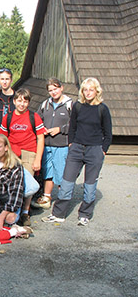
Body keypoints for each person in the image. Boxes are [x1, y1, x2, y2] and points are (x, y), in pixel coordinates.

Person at [42, 77, 112, 226]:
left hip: (94, 150)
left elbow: (108, 133)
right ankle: (58, 214)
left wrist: (102, 151)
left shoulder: (102, 109)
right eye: (85, 90)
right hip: (77, 148)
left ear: (96, 91)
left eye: (91, 89)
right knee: (66, 182)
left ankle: (85, 214)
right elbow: (72, 127)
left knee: (89, 185)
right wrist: (72, 144)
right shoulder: (78, 106)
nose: (88, 93)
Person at [0, 88, 46, 226]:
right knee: (12, 183)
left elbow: (40, 138)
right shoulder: (8, 117)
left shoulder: (34, 117)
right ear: (14, 101)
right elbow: (3, 138)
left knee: (27, 184)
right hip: (13, 153)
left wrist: (38, 159)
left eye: (25, 101)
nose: (22, 104)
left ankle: (25, 212)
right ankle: (12, 211)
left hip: (29, 152)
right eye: (19, 100)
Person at [32, 78, 72, 209]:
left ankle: (63, 199)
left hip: (61, 144)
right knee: (47, 171)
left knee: (61, 172)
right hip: (47, 143)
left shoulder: (69, 104)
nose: (53, 92)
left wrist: (60, 129)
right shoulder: (45, 104)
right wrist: (41, 128)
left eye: (55, 89)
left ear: (61, 88)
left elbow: (74, 124)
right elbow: (37, 119)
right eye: (50, 90)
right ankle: (47, 196)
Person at [0, 68, 16, 133]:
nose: (4, 82)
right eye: (2, 79)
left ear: (11, 80)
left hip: (13, 134)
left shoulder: (18, 99)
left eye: (7, 79)